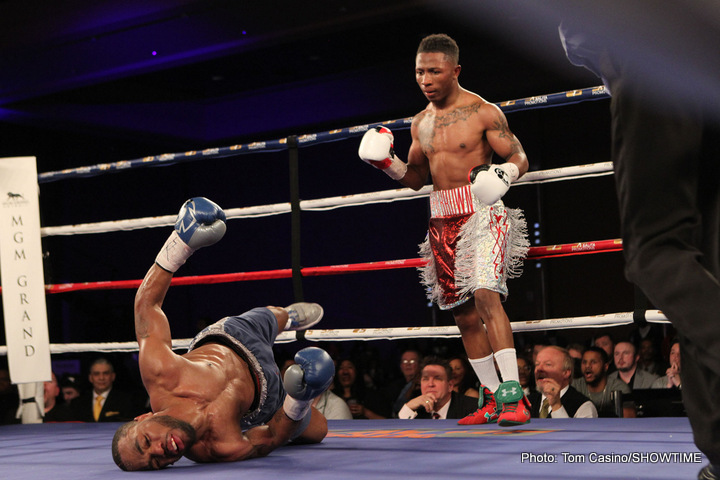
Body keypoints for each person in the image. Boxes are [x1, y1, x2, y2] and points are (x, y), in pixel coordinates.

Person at [558, 3, 720, 476]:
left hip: (659, 48)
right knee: (703, 262)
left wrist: (613, 61)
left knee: (656, 251)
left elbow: (580, 29)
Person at [358, 33, 530, 426]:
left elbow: (519, 155)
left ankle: (514, 397)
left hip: (482, 212)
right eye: (419, 71)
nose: (425, 79)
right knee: (464, 316)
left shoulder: (483, 112)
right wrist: (387, 164)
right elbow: (417, 178)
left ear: (455, 71)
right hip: (441, 219)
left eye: (434, 71)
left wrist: (504, 172)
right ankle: (490, 401)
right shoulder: (421, 123)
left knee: (487, 295)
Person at [111, 197, 334, 471]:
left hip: (233, 341)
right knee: (319, 430)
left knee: (275, 315)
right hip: (266, 400)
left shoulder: (161, 374)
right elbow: (274, 435)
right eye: (156, 463)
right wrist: (299, 400)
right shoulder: (220, 448)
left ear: (143, 418)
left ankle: (289, 318)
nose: (160, 451)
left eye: (146, 442)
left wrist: (181, 243)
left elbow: (147, 306)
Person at [398, 356, 477, 420]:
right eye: (425, 379)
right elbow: (397, 433)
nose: (430, 384)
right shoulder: (416, 408)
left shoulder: (472, 408)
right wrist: (408, 407)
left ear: (450, 385)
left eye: (437, 378)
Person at [68, 357, 143, 423]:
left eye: (106, 373)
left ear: (113, 376)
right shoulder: (77, 403)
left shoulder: (126, 401)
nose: (101, 378)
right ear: (90, 378)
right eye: (96, 374)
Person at [530, 346, 597, 418]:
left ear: (566, 372)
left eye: (548, 364)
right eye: (537, 364)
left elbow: (568, 429)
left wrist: (556, 406)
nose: (539, 369)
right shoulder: (526, 402)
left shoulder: (584, 407)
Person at [572, 347, 631, 418]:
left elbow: (628, 419)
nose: (587, 366)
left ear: (605, 366)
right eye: (584, 362)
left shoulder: (618, 387)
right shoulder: (574, 386)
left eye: (593, 362)